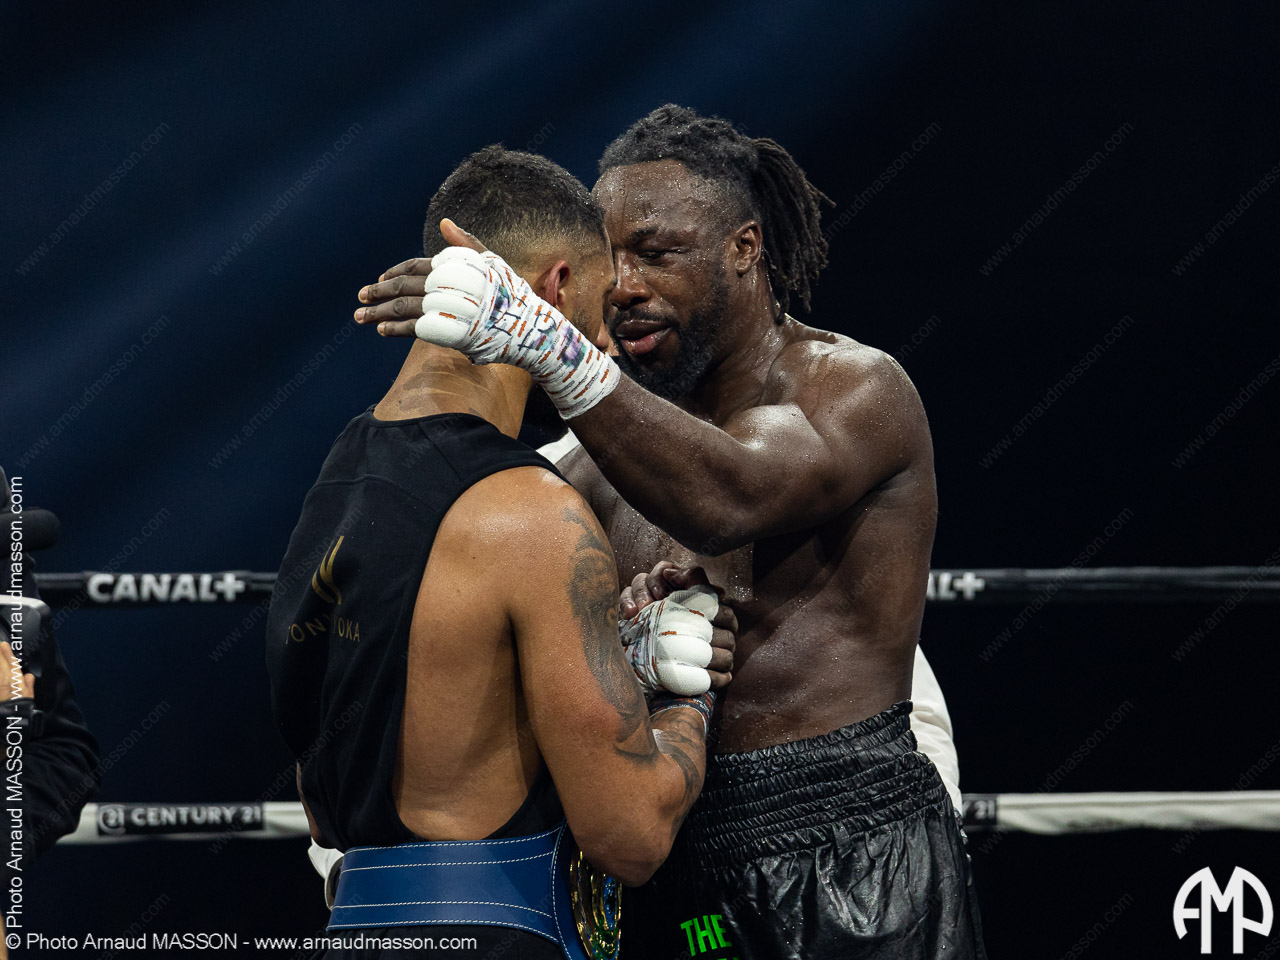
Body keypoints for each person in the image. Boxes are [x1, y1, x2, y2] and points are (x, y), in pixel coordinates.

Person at [358, 106, 985, 958]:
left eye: (656, 253)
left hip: (848, 868)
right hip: (680, 881)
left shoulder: (854, 390)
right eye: (610, 256)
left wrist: (549, 345)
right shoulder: (588, 467)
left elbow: (729, 498)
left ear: (745, 248)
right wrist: (630, 646)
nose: (622, 284)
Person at [267, 146, 735, 959]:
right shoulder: (531, 515)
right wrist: (679, 702)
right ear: (555, 288)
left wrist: (613, 660)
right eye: (599, 307)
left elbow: (325, 793)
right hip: (501, 933)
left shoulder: (332, 487)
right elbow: (630, 836)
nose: (607, 345)